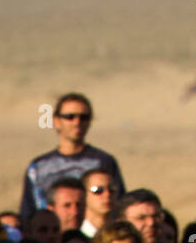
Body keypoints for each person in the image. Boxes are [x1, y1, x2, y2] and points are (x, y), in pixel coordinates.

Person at [19, 92, 125, 224]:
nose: (77, 122)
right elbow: (28, 213)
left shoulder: (104, 162)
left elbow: (119, 206)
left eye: (84, 117)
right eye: (69, 117)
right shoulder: (39, 167)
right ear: (56, 121)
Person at [79, 168, 118, 238]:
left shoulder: (123, 233)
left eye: (112, 189)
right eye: (98, 190)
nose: (107, 194)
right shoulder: (76, 236)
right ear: (83, 194)